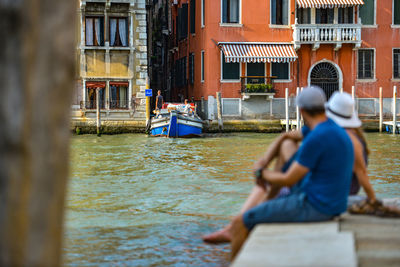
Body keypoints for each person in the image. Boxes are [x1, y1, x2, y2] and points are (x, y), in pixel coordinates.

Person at [227, 86, 355, 260]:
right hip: (333, 202)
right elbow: (286, 137)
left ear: (301, 110)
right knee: (287, 146)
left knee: (240, 222)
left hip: (316, 206)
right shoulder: (332, 128)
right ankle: (264, 206)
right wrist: (265, 161)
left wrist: (260, 173)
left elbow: (288, 179)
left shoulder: (317, 137)